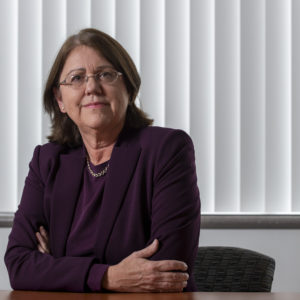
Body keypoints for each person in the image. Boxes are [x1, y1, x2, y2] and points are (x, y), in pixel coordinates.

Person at [5, 28, 200, 293]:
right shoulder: (48, 161)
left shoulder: (166, 150)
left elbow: (165, 269)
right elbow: (19, 266)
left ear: (128, 88)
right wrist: (108, 276)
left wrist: (56, 266)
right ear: (60, 99)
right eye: (77, 78)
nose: (91, 87)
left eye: (105, 75)